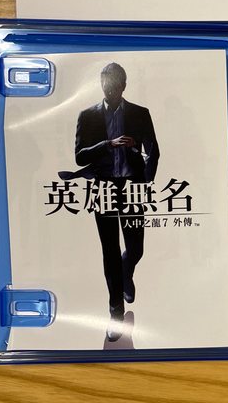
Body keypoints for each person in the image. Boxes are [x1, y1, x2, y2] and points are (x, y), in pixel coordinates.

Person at [67, 62, 159, 341]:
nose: (109, 91)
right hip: (104, 189)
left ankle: (125, 272)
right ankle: (115, 312)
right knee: (109, 250)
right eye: (105, 86)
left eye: (114, 87)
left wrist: (145, 182)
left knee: (136, 248)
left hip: (132, 188)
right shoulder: (88, 115)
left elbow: (154, 151)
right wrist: (107, 144)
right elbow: (79, 157)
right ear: (101, 85)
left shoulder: (140, 113)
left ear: (124, 86)